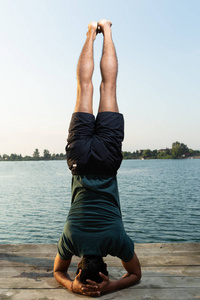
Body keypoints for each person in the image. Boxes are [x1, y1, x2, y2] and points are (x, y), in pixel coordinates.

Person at [53, 19, 141, 296]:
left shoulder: (117, 244)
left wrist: (112, 285)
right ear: (80, 267)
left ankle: (107, 29)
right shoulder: (70, 242)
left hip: (106, 162)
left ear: (106, 265)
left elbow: (135, 274)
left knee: (109, 87)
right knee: (85, 87)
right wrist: (72, 284)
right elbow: (58, 271)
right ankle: (92, 32)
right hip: (79, 163)